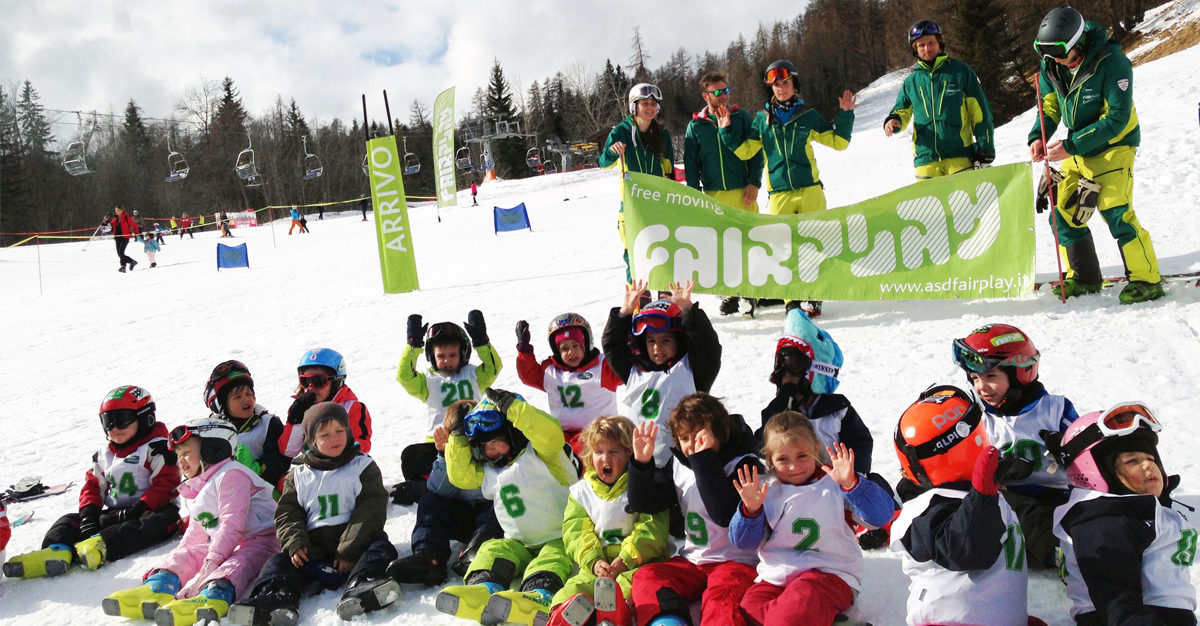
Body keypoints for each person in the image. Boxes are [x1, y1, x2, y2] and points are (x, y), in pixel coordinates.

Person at [1029, 6, 1164, 304]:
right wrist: (1039, 135)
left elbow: (1116, 118)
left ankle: (1147, 279)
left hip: (1114, 145)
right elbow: (1049, 104)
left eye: (1060, 51)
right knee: (1063, 212)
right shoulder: (1052, 64)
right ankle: (1085, 277)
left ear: (1078, 42)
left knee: (1115, 211)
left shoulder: (1113, 63)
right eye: (1046, 53)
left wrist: (1072, 145)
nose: (1055, 58)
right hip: (1078, 145)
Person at [227, 403, 400, 625]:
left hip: (356, 546)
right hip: (313, 550)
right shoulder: (299, 474)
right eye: (325, 434)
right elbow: (288, 512)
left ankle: (363, 584)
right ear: (311, 440)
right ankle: (276, 597)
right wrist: (296, 544)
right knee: (278, 562)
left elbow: (371, 510)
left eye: (340, 431)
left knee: (380, 548)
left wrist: (349, 549)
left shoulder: (362, 467)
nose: (334, 438)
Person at [101, 417, 279, 625]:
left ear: (212, 448)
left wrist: (210, 567)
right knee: (190, 552)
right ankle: (158, 586)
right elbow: (195, 535)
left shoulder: (232, 474)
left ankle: (214, 595)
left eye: (186, 453)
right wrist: (181, 559)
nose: (181, 461)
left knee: (236, 563)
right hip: (226, 541)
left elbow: (232, 524)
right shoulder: (199, 486)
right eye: (178, 455)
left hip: (262, 540)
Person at [717, 60, 856, 317]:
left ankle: (814, 297)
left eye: (786, 83)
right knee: (783, 250)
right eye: (776, 85)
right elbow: (746, 151)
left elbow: (839, 142)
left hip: (810, 191)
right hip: (779, 195)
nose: (781, 89)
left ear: (795, 84)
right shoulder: (762, 120)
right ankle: (791, 300)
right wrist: (726, 132)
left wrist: (846, 114)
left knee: (814, 245)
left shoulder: (808, 115)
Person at [730, 411, 893, 625]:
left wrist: (852, 485)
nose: (794, 467)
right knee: (750, 608)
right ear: (769, 460)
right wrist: (750, 511)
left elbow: (881, 515)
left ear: (815, 449)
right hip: (778, 577)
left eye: (802, 456)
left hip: (831, 574)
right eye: (782, 459)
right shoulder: (765, 490)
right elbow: (744, 542)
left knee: (800, 597)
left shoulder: (835, 482)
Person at [2, 386, 181, 579]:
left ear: (145, 418)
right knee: (69, 520)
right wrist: (88, 515)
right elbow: (93, 486)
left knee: (159, 523)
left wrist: (138, 508)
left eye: (122, 420)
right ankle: (57, 550)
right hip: (114, 514)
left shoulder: (157, 448)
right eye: (108, 422)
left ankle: (102, 546)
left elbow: (166, 485)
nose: (114, 428)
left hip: (149, 511)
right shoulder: (104, 455)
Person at [891, 386, 1034, 626]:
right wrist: (982, 494)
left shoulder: (974, 496)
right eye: (978, 435)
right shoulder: (926, 510)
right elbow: (967, 551)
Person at [435, 389, 576, 625]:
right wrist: (458, 436)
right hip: (518, 541)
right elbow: (460, 476)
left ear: (512, 435)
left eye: (496, 443)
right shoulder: (489, 471)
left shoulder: (541, 454)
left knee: (551, 559)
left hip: (558, 537)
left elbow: (550, 434)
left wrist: (514, 409)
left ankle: (538, 595)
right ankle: (484, 589)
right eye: (486, 447)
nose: (492, 452)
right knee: (492, 549)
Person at [1046, 402, 1197, 623]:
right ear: (1096, 471)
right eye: (1132, 461)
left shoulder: (1137, 513)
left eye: (1151, 459)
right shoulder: (1103, 521)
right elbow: (1115, 599)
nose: (1148, 466)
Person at [760, 307, 897, 549]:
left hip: (834, 483)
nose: (785, 373)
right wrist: (784, 396)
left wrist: (855, 473)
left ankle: (882, 525)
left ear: (815, 369)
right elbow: (762, 439)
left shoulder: (837, 410)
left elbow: (862, 441)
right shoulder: (780, 412)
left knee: (873, 485)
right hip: (794, 480)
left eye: (793, 363)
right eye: (781, 363)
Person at [626, 393, 763, 626]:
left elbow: (723, 514)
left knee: (721, 599)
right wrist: (641, 465)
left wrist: (705, 460)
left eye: (699, 435)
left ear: (722, 431)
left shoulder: (743, 464)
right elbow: (647, 502)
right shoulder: (681, 465)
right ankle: (668, 622)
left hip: (736, 562)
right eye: (684, 438)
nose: (691, 445)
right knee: (648, 577)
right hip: (694, 561)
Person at [948, 323, 1077, 569]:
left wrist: (1068, 450)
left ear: (1020, 373)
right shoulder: (975, 417)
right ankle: (1058, 556)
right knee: (1014, 509)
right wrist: (997, 471)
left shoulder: (1054, 410)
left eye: (991, 377)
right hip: (1011, 501)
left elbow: (1090, 451)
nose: (981, 387)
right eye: (975, 378)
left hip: (1060, 496)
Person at [546, 416, 669, 625]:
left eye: (613, 452)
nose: (605, 459)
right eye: (598, 452)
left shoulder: (642, 486)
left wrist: (626, 559)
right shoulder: (581, 492)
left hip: (635, 563)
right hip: (598, 565)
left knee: (630, 585)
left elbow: (652, 528)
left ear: (629, 453)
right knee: (575, 587)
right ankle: (563, 615)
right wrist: (594, 561)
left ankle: (618, 613)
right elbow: (575, 531)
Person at [602, 280, 721, 466]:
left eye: (666, 340)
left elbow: (708, 346)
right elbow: (613, 345)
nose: (657, 348)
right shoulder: (634, 372)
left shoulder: (691, 369)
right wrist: (624, 313)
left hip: (684, 466)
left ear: (679, 340)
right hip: (642, 465)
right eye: (651, 341)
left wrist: (689, 311)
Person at [385, 401, 503, 588]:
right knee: (430, 502)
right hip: (462, 516)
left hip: (491, 520)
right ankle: (429, 558)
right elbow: (439, 490)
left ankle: (480, 551)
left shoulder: (492, 450)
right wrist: (444, 456)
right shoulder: (449, 455)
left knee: (498, 505)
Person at [393, 311, 501, 505]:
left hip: (471, 440)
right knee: (411, 456)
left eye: (452, 355)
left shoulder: (474, 375)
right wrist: (413, 346)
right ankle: (429, 483)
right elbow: (404, 376)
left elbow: (493, 367)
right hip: (439, 444)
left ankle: (465, 480)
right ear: (432, 357)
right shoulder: (427, 381)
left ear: (463, 354)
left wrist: (481, 342)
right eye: (440, 356)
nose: (446, 360)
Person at [683, 71, 765, 316]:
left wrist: (754, 182)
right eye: (717, 92)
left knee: (750, 241)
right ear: (705, 95)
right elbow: (690, 162)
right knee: (723, 247)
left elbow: (755, 152)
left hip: (743, 192)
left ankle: (754, 291)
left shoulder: (741, 118)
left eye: (726, 91)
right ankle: (731, 294)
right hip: (714, 194)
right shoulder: (696, 125)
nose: (723, 96)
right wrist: (694, 193)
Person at [884, 20, 995, 178]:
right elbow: (902, 109)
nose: (927, 48)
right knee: (926, 204)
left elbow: (980, 112)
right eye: (921, 45)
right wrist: (894, 120)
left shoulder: (960, 72)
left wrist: (986, 146)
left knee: (964, 203)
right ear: (915, 49)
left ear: (940, 42)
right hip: (926, 161)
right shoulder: (911, 82)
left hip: (960, 157)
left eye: (931, 43)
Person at [515, 312, 622, 454]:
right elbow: (529, 375)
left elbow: (624, 368)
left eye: (576, 346)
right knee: (543, 448)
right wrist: (524, 350)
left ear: (586, 344)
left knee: (579, 452)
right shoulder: (551, 372)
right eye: (564, 348)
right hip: (563, 435)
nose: (571, 352)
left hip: (599, 432)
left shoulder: (602, 367)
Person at [599, 83, 674, 283]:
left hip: (658, 203)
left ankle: (666, 303)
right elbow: (603, 163)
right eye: (644, 103)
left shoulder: (662, 134)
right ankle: (640, 303)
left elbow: (668, 168)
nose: (650, 108)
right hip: (632, 206)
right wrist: (612, 151)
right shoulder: (620, 132)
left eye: (653, 104)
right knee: (635, 255)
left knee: (662, 254)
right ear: (634, 106)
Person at [203, 360, 292, 492]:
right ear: (222, 406)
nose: (246, 400)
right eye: (237, 397)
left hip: (264, 493)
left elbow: (280, 462)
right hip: (226, 494)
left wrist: (256, 469)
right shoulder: (210, 433)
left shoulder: (268, 424)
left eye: (249, 394)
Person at [281, 348, 373, 456]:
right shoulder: (301, 409)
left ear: (336, 382)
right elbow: (288, 451)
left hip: (344, 469)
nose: (310, 387)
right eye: (305, 381)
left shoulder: (351, 408)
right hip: (312, 470)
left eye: (318, 381)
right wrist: (295, 421)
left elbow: (362, 448)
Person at [108, 206, 139, 272]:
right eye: (116, 210)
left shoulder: (126, 216)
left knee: (121, 253)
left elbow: (134, 225)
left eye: (118, 210)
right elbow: (111, 226)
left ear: (122, 210)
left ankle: (129, 263)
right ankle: (125, 265)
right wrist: (106, 221)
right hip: (117, 237)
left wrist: (136, 233)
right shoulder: (115, 218)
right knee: (119, 253)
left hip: (125, 237)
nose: (117, 212)